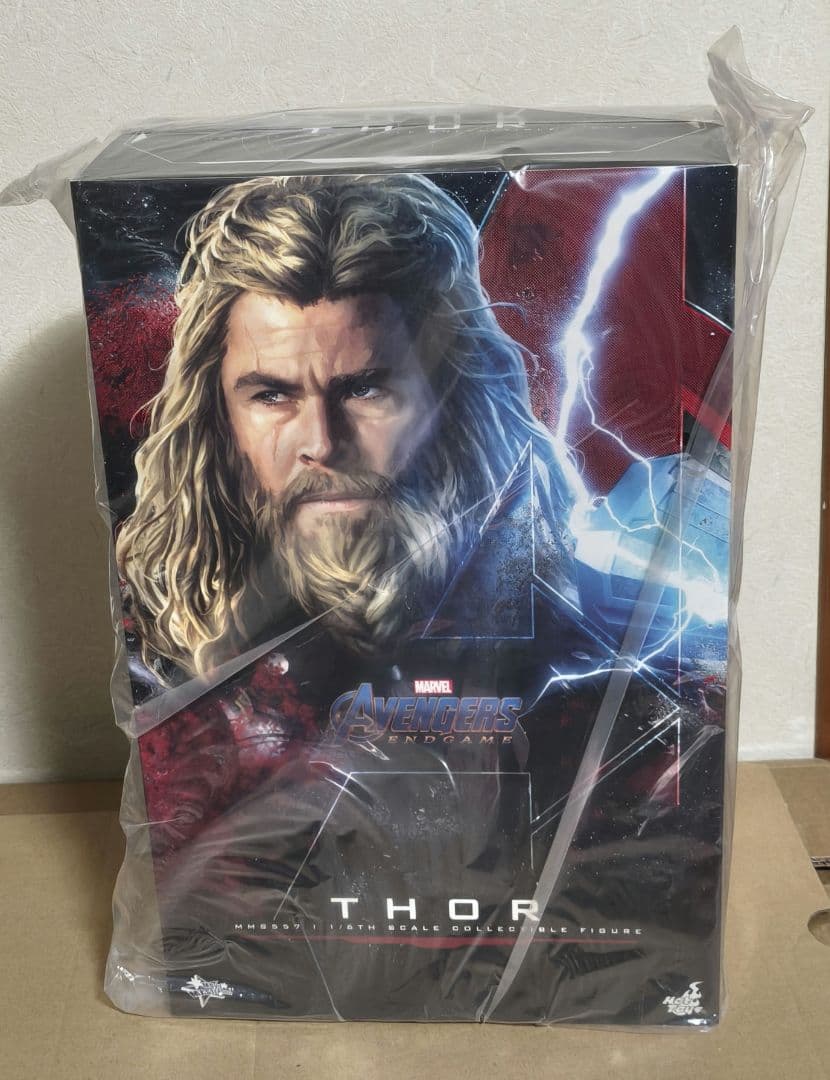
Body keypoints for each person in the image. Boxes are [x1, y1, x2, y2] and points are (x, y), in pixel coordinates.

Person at [116, 173, 574, 686]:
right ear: (218, 421)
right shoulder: (153, 662)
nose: (323, 444)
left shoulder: (581, 656)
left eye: (364, 389)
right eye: (272, 396)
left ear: (452, 399)